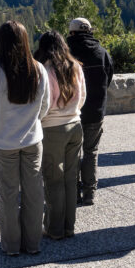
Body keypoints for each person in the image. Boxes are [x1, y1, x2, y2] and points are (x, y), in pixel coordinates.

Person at [0, 21, 50, 256]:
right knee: (34, 193)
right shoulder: (38, 69)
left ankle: (10, 246)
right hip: (32, 139)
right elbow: (45, 106)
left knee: (8, 195)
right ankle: (33, 244)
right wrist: (33, 122)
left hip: (4, 143)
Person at [34, 30, 86, 240]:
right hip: (75, 125)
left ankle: (54, 229)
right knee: (71, 179)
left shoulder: (45, 70)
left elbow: (43, 104)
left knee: (53, 180)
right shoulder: (75, 66)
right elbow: (83, 97)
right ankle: (69, 226)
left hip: (53, 128)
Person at [65, 18, 114, 206]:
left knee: (72, 152)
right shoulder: (102, 53)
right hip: (96, 110)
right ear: (90, 32)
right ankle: (90, 193)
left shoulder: (66, 53)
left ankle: (74, 192)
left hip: (72, 112)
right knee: (91, 151)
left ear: (72, 33)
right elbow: (108, 78)